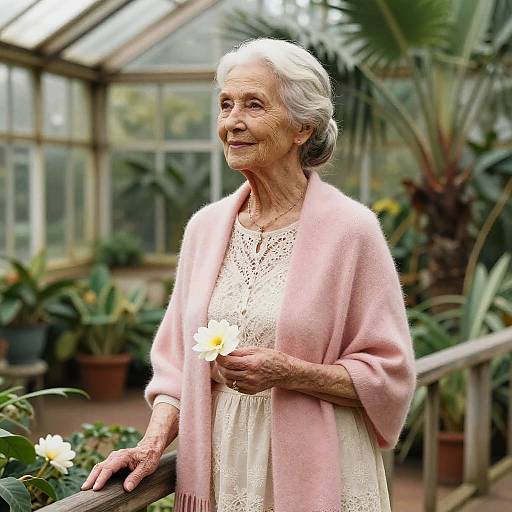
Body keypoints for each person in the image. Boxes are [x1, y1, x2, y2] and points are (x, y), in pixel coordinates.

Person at [81, 38, 417, 512]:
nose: (231, 122)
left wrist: (289, 372)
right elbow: (177, 365)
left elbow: (390, 373)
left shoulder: (352, 230)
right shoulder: (204, 227)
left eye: (253, 105)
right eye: (225, 104)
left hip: (319, 469)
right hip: (223, 465)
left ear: (303, 126)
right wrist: (151, 446)